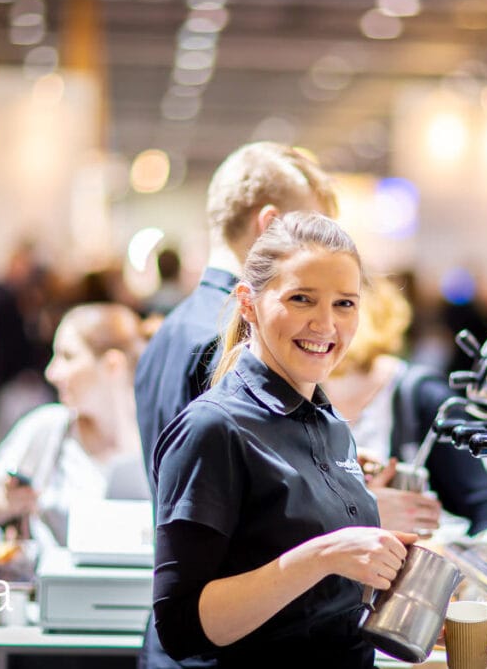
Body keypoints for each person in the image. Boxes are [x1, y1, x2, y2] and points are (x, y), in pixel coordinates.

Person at [152, 213, 416, 667]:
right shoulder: (214, 429)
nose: (326, 325)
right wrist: (323, 555)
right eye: (301, 299)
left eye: (344, 304)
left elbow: (322, 605)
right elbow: (181, 627)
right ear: (248, 303)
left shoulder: (328, 420)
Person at [133, 142, 339, 668]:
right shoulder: (223, 342)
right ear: (269, 223)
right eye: (311, 229)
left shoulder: (171, 327)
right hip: (224, 643)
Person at [0, 303, 151, 549]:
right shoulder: (49, 428)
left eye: (68, 356)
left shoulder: (156, 439)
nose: (52, 372)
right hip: (51, 584)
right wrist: (11, 501)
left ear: (112, 365)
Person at [324, 279, 487, 536]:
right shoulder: (300, 395)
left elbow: (486, 510)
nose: (320, 323)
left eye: (343, 305)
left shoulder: (424, 396)